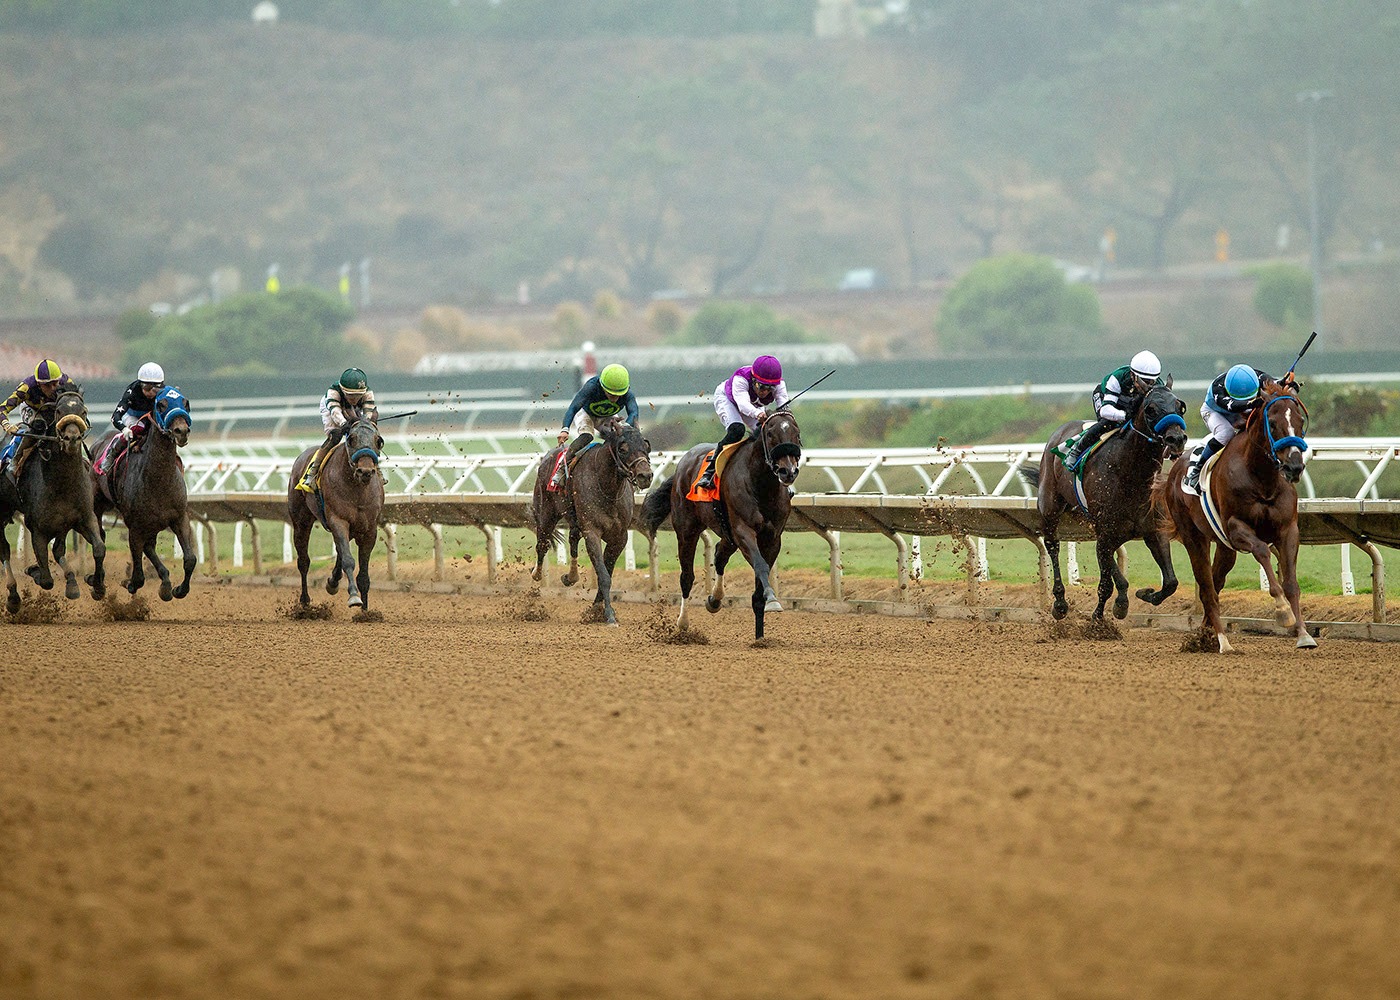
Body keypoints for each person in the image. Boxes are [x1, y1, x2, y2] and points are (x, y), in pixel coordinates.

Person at [696, 354, 790, 491]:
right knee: (737, 430)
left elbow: (783, 405)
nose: (765, 392)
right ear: (753, 379)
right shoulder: (741, 378)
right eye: (761, 387)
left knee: (765, 434)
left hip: (753, 406)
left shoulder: (780, 385)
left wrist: (784, 416)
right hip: (728, 400)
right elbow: (743, 405)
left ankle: (777, 477)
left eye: (770, 389)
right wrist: (758, 413)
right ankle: (709, 472)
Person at [1061, 350, 1163, 471]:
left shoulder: (1159, 384)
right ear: (1133, 375)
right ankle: (1076, 451)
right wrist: (1124, 416)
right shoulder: (1118, 378)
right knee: (1107, 423)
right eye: (1144, 381)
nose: (1148, 386)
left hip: (1129, 402)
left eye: (1151, 382)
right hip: (1106, 398)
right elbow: (1105, 411)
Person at [548, 363, 639, 489]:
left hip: (607, 417)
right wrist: (565, 429)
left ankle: (627, 473)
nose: (615, 398)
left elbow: (634, 413)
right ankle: (562, 468)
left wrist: (626, 427)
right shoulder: (591, 387)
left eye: (618, 395)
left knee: (621, 439)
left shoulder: (627, 394)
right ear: (603, 387)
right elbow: (573, 408)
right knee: (587, 436)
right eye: (611, 394)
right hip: (586, 414)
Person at [1185, 363, 1267, 491]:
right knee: (1226, 432)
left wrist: (1287, 383)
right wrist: (1251, 403)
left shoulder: (1256, 377)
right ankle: (1197, 470)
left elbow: (1274, 384)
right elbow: (1232, 405)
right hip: (1215, 412)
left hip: (1241, 411)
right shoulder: (1218, 389)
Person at [295, 367, 378, 492]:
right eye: (351, 396)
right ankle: (312, 473)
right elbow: (335, 412)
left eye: (358, 396)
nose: (354, 399)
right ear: (343, 390)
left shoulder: (367, 393)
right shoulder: (333, 393)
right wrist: (344, 423)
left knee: (365, 435)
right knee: (335, 436)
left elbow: (368, 413)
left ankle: (378, 470)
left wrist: (364, 425)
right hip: (332, 408)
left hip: (348, 408)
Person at [0, 359, 80, 474]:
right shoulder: (27, 387)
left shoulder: (67, 383)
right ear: (38, 383)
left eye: (55, 383)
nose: (53, 388)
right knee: (39, 425)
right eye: (47, 385)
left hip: (55, 410)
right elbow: (2, 408)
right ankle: (16, 459)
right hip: (32, 409)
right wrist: (7, 425)